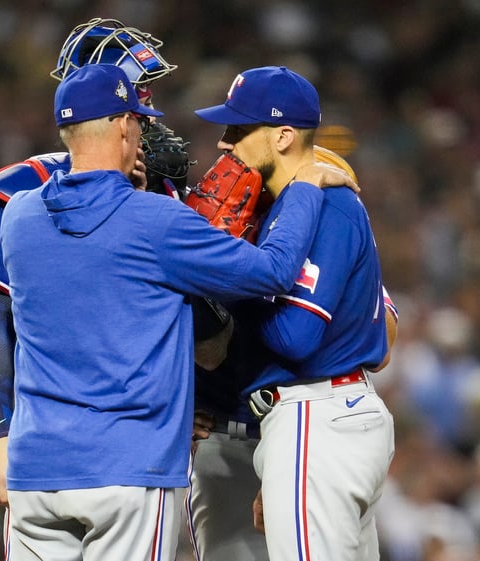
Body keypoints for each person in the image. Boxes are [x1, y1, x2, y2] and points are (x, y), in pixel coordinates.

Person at [0, 62, 327, 560]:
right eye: (139, 120)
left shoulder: (19, 217)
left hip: (35, 472)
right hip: (126, 470)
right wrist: (305, 184)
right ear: (125, 126)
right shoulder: (157, 221)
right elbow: (276, 271)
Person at [0, 18, 180, 509]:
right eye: (138, 96)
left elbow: (187, 316)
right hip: (49, 442)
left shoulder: (167, 194)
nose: (148, 112)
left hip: (143, 440)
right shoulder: (25, 190)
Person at [192, 66, 395, 561]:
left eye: (238, 130)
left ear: (284, 135)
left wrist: (230, 277)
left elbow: (296, 336)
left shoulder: (327, 205)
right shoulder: (277, 209)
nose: (223, 143)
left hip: (315, 415)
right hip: (310, 419)